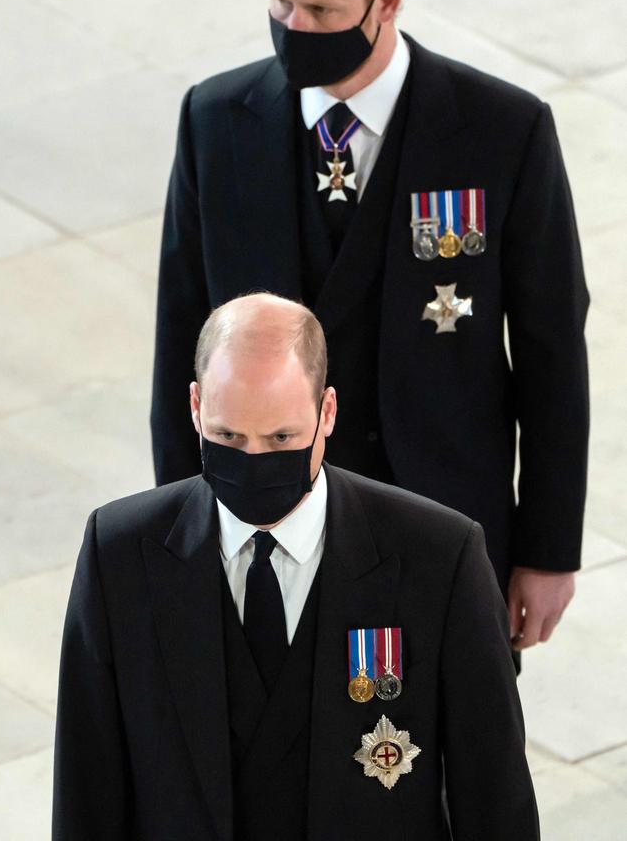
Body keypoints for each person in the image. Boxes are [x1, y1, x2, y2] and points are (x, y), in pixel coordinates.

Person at [151, 0, 589, 651]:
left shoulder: (502, 132)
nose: (294, 26)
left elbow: (553, 351)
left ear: (385, 2)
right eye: (280, 5)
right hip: (265, 529)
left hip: (444, 527)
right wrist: (180, 531)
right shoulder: (217, 124)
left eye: (320, 10)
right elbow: (181, 338)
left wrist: (548, 552)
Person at [54, 294, 539, 840]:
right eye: (228, 437)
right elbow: (85, 793)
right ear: (195, 407)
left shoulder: (439, 558)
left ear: (327, 412)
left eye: (281, 438)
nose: (254, 460)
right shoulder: (119, 556)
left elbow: (495, 799)